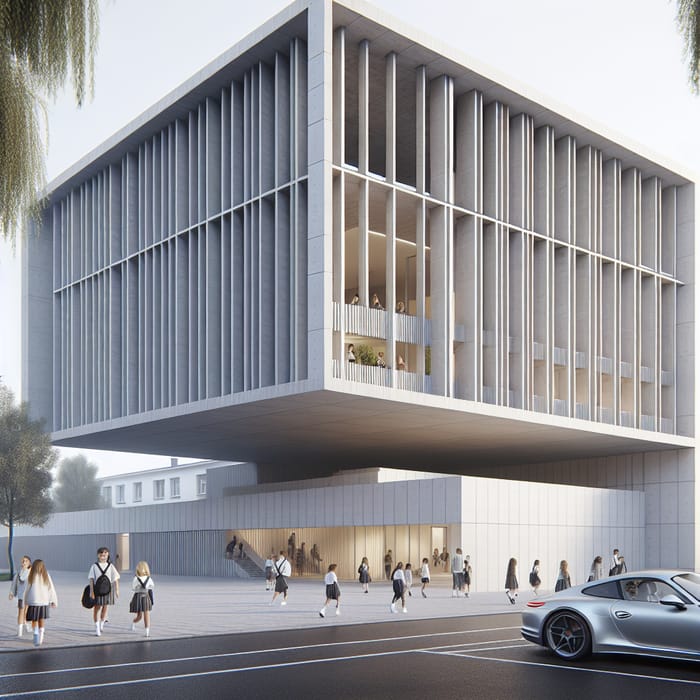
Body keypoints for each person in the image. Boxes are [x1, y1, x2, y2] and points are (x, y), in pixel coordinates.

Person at [23, 559, 57, 647]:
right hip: (43, 602)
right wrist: (53, 600)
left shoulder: (31, 575)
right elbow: (51, 588)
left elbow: (27, 589)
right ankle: (40, 636)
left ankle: (36, 634)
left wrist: (26, 600)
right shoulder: (45, 575)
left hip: (34, 601)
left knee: (34, 619)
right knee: (41, 619)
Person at [89, 546, 120, 636]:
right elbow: (91, 579)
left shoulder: (111, 566)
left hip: (108, 589)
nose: (103, 555)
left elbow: (116, 578)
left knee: (105, 607)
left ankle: (102, 623)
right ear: (98, 555)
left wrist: (117, 590)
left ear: (108, 555)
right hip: (97, 590)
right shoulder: (94, 566)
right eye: (101, 554)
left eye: (105, 553)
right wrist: (91, 591)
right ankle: (97, 627)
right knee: (97, 608)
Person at [129, 560, 154, 637]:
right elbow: (133, 588)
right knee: (139, 616)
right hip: (138, 596)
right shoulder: (136, 578)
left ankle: (147, 630)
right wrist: (139, 587)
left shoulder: (149, 578)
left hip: (145, 596)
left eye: (143, 568)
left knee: (146, 613)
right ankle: (133, 623)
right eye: (141, 568)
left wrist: (146, 587)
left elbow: (152, 586)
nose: (142, 570)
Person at [9, 555, 32, 637]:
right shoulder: (19, 573)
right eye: (23, 561)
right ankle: (20, 631)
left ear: (29, 562)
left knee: (27, 612)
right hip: (21, 596)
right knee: (21, 612)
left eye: (26, 561)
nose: (24, 562)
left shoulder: (32, 573)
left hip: (30, 596)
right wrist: (11, 593)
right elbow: (14, 583)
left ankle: (27, 626)